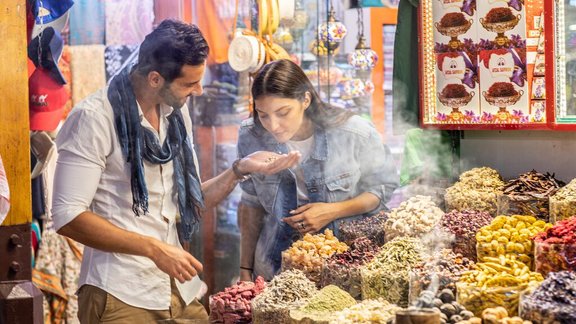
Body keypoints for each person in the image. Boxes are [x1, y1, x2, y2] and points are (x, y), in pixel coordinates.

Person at [51, 20, 299, 323]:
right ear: (155, 78)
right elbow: (67, 217)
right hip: (120, 294)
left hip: (180, 290)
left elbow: (189, 202)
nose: (199, 89)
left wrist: (238, 170)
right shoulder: (93, 119)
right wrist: (154, 249)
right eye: (189, 83)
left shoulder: (176, 113)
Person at [237, 59, 399, 281]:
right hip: (274, 266)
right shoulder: (251, 135)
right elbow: (251, 206)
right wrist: (245, 269)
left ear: (305, 99)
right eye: (263, 114)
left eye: (283, 112)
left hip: (345, 264)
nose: (273, 125)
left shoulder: (353, 132)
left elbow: (380, 190)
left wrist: (333, 210)